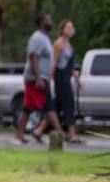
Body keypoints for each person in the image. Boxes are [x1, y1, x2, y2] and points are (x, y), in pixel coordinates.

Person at [13, 14, 67, 144]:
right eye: (49, 20)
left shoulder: (44, 38)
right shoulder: (37, 38)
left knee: (27, 108)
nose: (51, 22)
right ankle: (61, 136)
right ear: (42, 22)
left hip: (41, 78)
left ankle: (19, 136)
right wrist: (38, 78)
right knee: (50, 107)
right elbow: (33, 57)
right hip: (36, 79)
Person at [52, 19, 82, 143]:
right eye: (68, 28)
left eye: (72, 27)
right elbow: (54, 62)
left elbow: (71, 65)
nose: (71, 30)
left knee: (56, 105)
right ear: (62, 30)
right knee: (68, 104)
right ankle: (72, 134)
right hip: (60, 78)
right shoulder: (59, 44)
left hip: (67, 77)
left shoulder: (69, 45)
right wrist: (49, 78)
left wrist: (77, 78)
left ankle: (39, 129)